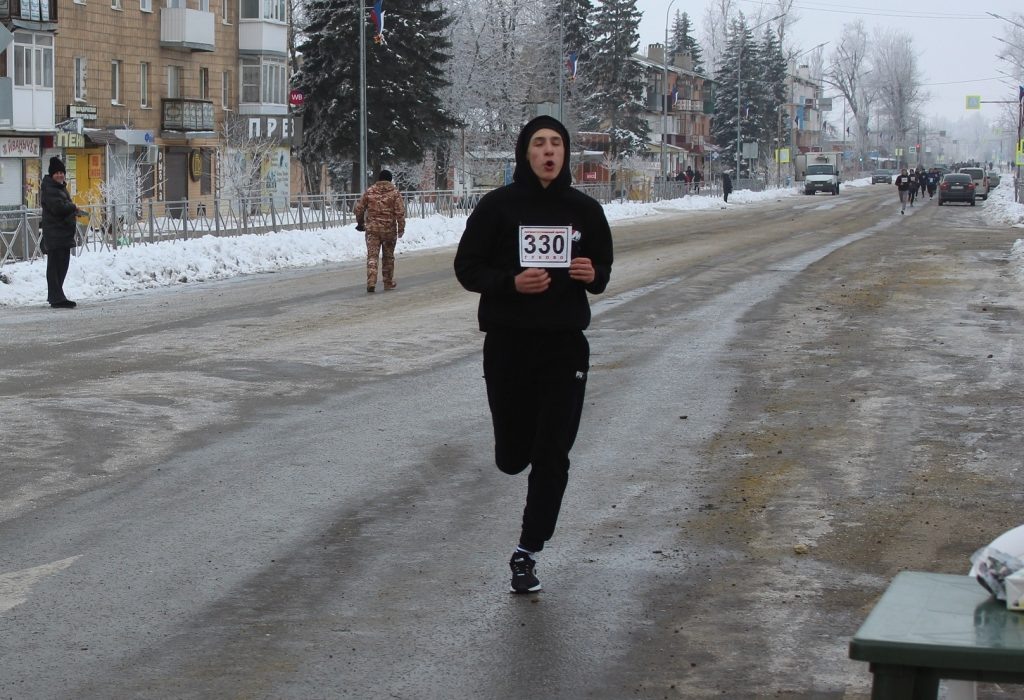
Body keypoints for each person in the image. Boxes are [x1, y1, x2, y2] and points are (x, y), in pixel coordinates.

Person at [453, 115, 613, 594]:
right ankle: (511, 454)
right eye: (540, 143)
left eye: (557, 144)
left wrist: (591, 275)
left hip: (565, 347)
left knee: (553, 454)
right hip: (508, 344)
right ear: (526, 152)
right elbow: (467, 267)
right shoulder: (498, 208)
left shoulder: (584, 211)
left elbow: (603, 270)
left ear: (565, 153)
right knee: (512, 456)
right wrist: (511, 283)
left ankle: (528, 550)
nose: (549, 151)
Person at [40, 156, 84, 308]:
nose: (60, 175)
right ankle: (56, 298)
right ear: (52, 174)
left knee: (62, 265)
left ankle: (58, 295)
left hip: (63, 234)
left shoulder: (59, 187)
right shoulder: (50, 188)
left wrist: (73, 210)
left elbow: (63, 206)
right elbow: (58, 208)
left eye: (62, 172)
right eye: (57, 173)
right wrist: (73, 207)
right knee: (55, 266)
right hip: (55, 234)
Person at [353, 169, 405, 293]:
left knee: (372, 256)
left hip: (372, 230)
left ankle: (371, 281)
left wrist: (360, 223)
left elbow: (359, 208)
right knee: (388, 257)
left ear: (379, 179)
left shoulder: (370, 191)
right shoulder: (395, 193)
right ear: (390, 180)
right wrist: (401, 228)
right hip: (389, 230)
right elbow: (400, 212)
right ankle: (388, 282)